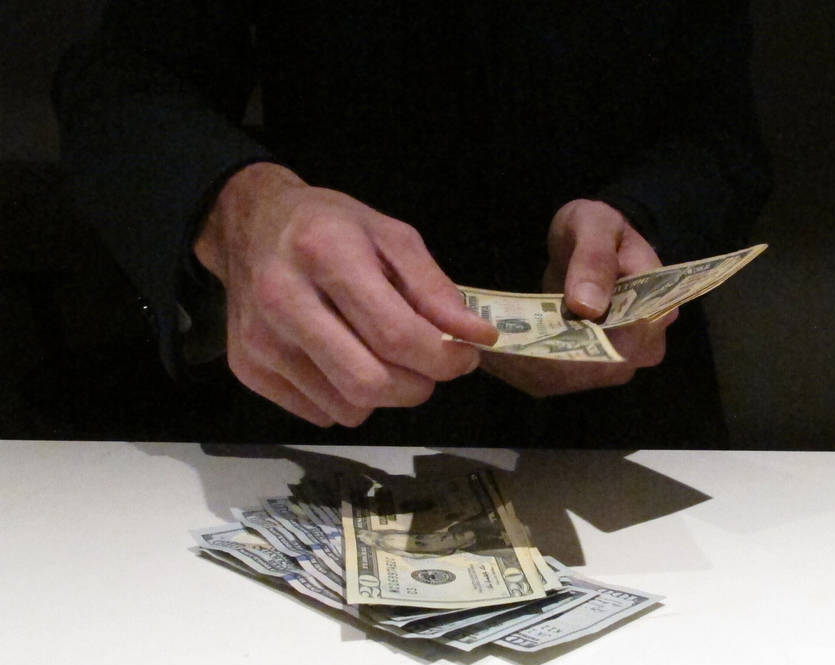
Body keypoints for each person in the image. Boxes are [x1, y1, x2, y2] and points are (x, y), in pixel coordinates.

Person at [53, 1, 771, 447]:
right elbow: (123, 83)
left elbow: (721, 135)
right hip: (323, 395)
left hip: (627, 427)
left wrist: (639, 221)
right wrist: (243, 210)